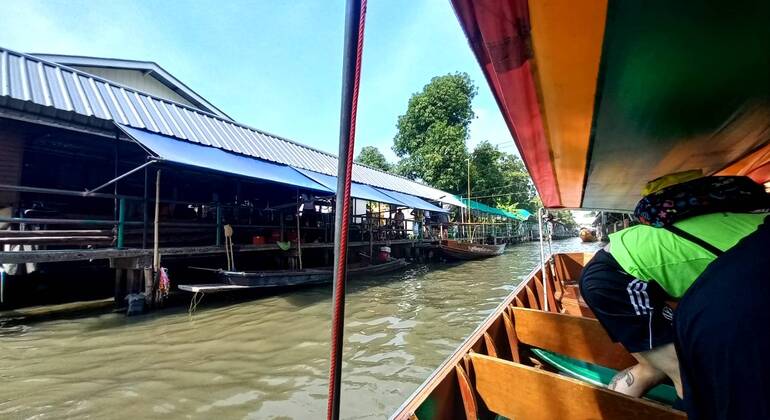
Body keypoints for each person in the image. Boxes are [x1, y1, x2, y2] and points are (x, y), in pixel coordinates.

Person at [579, 173, 770, 419]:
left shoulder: (747, 225)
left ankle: (607, 412)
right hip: (616, 280)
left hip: (610, 273)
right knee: (688, 373)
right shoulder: (756, 234)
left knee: (653, 368)